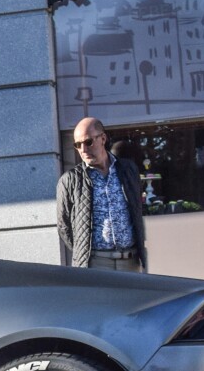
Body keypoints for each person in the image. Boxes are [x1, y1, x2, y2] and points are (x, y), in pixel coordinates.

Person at [57, 117, 147, 272]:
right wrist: (85, 252)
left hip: (130, 261)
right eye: (78, 145)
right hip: (95, 264)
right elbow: (64, 226)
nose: (83, 149)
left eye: (88, 142)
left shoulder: (128, 169)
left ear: (103, 139)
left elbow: (137, 208)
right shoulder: (70, 179)